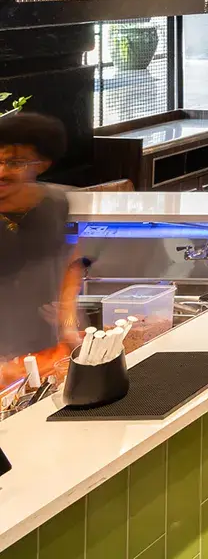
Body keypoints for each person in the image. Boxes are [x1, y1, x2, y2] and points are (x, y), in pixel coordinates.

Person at [0, 113, 78, 387]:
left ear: (42, 165)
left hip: (48, 356)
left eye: (14, 162)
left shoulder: (57, 203)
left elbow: (72, 261)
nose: (1, 171)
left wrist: (68, 319)